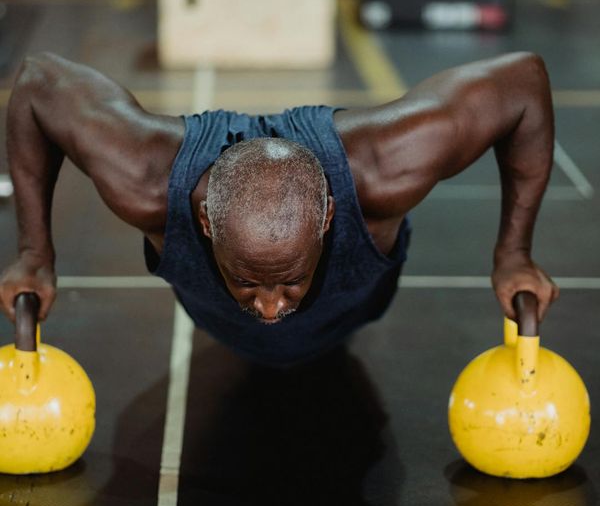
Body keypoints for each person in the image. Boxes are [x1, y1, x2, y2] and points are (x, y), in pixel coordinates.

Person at [0, 51, 559, 365]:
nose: (268, 308)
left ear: (327, 217)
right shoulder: (144, 180)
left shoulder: (385, 172)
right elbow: (36, 81)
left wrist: (514, 253)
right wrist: (34, 252)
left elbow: (523, 80)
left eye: (288, 283)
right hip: (218, 328)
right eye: (248, 282)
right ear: (204, 223)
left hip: (354, 311)